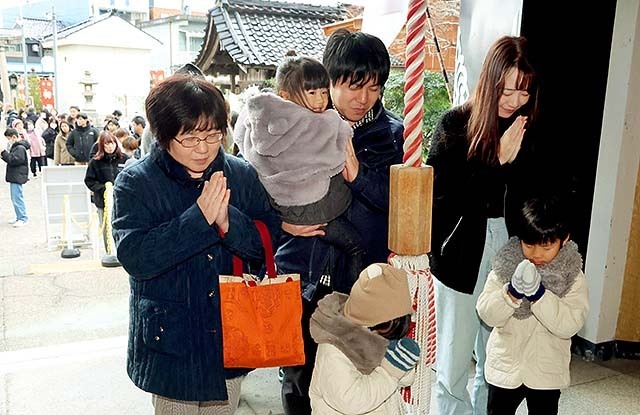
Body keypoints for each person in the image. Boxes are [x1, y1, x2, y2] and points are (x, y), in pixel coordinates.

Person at [111, 73, 281, 414]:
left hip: (229, 334)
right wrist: (198, 219)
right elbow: (136, 257)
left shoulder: (241, 174)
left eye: (212, 135)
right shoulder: (136, 182)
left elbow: (268, 243)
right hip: (171, 340)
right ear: (162, 134)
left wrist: (229, 223)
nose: (203, 148)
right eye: (189, 137)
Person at [275, 28, 404, 415]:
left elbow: (398, 204)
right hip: (303, 272)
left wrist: (356, 173)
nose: (364, 99)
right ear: (328, 79)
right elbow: (262, 187)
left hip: (360, 283)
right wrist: (284, 223)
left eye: (375, 88)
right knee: (298, 377)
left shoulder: (393, 135)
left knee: (356, 379)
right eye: (353, 86)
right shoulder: (294, 124)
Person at [426, 35, 539, 415]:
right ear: (488, 80)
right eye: (504, 89)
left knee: (496, 359)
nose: (512, 100)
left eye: (522, 92)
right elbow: (444, 204)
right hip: (462, 252)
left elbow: (533, 201)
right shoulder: (455, 125)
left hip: (510, 250)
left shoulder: (528, 129)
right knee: (454, 364)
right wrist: (499, 162)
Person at [234, 54, 364, 286]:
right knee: (355, 246)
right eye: (312, 93)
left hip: (281, 215)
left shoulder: (253, 120)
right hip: (317, 214)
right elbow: (336, 160)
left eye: (324, 92)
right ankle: (352, 303)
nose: (320, 100)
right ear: (285, 96)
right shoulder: (322, 123)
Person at [476, 196, 588, 415]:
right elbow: (487, 314)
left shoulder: (572, 275)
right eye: (528, 245)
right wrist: (510, 294)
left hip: (546, 373)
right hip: (505, 369)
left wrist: (540, 296)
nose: (536, 254)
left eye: (546, 247)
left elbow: (570, 324)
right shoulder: (505, 266)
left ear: (564, 239)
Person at [309, 263, 420, 414]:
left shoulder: (378, 335)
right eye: (389, 332)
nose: (390, 339)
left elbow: (403, 380)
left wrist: (402, 366)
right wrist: (391, 371)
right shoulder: (335, 348)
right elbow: (352, 402)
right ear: (372, 323)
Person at [84, 131, 129, 251]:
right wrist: (104, 188)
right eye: (106, 144)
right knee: (106, 228)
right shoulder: (95, 162)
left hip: (123, 201)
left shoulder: (124, 159)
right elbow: (89, 181)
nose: (110, 147)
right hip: (103, 201)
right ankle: (109, 251)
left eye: (112, 143)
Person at [1, 128, 30, 227]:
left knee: (17, 197)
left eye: (9, 138)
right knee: (15, 197)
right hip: (15, 175)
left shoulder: (20, 148)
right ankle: (19, 216)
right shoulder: (17, 147)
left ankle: (22, 218)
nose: (8, 140)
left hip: (18, 175)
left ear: (14, 137)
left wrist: (3, 153)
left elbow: (14, 160)